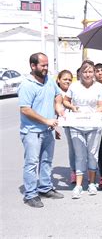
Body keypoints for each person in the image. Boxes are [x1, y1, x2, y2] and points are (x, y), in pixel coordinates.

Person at [18, 53, 65, 208]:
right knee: (31, 163)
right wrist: (46, 120)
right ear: (33, 66)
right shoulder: (27, 85)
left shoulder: (49, 81)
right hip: (32, 132)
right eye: (43, 65)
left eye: (47, 65)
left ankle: (45, 188)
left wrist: (58, 106)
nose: (46, 68)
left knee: (46, 161)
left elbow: (58, 95)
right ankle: (30, 194)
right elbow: (25, 110)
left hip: (48, 130)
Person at [63, 60, 102, 199]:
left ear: (94, 73)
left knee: (92, 155)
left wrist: (95, 113)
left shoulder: (99, 87)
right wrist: (72, 107)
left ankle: (92, 183)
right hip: (76, 126)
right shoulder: (74, 86)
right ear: (80, 73)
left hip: (94, 126)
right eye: (85, 71)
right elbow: (65, 101)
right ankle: (79, 185)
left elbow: (101, 105)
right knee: (79, 155)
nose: (87, 74)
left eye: (90, 71)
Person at [56, 70, 75, 184]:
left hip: (79, 122)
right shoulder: (56, 92)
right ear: (58, 80)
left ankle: (82, 170)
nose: (67, 81)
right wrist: (56, 127)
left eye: (69, 79)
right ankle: (73, 171)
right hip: (67, 124)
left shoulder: (74, 90)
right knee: (73, 149)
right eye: (65, 79)